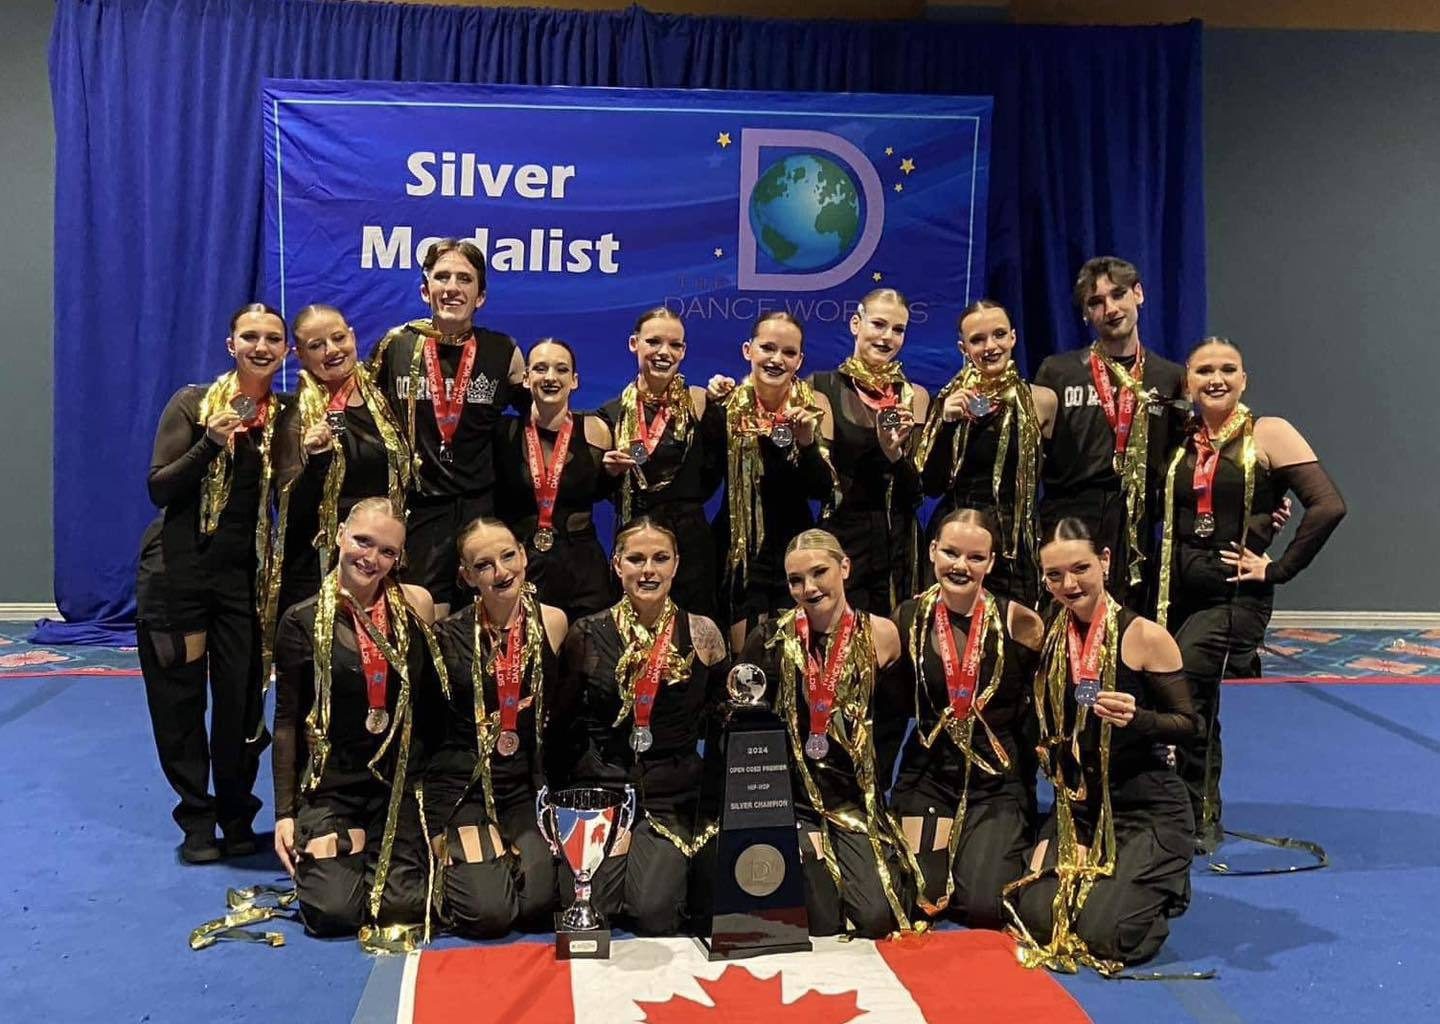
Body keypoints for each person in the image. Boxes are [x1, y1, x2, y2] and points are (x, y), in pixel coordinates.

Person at [1155, 337, 1346, 852]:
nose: (1216, 378)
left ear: (1244, 380)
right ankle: (1185, 807)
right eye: (1204, 370)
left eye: (1228, 369)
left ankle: (1200, 819)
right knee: (1193, 699)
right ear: (1188, 381)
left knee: (1187, 686)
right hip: (1176, 593)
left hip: (1234, 598)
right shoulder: (1183, 437)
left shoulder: (1268, 432)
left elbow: (1328, 505)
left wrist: (1277, 569)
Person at [1006, 518, 1201, 970]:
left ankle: (1163, 880)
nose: (1069, 585)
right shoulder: (1048, 637)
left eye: (1081, 569)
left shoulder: (1145, 636)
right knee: (1036, 915)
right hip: (1080, 809)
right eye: (1055, 575)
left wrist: (1141, 719)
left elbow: (1189, 725)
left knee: (1105, 935)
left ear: (1105, 562)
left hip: (1144, 807)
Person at [136, 303, 288, 863]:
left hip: (241, 580)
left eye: (273, 338)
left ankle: (236, 812)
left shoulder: (287, 416)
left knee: (241, 703)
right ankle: (197, 818)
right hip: (177, 572)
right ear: (232, 345)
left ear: (286, 351)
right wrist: (210, 444)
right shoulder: (194, 403)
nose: (261, 346)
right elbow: (159, 487)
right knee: (179, 703)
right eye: (250, 336)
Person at [272, 499, 443, 943]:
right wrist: (284, 814)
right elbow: (287, 721)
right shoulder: (302, 620)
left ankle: (368, 844)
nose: (371, 559)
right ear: (339, 535)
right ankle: (347, 845)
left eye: (387, 551)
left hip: (396, 784)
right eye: (362, 542)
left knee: (403, 908)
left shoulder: (414, 612)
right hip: (333, 785)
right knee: (333, 912)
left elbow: (428, 707)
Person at [551, 517, 729, 934]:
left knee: (653, 914)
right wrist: (563, 807)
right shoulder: (586, 634)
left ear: (676, 564)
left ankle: (673, 868)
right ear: (617, 565)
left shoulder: (703, 634)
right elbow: (561, 725)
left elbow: (723, 721)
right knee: (592, 908)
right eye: (636, 559)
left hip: (673, 795)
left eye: (660, 558)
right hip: (604, 788)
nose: (648, 570)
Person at [740, 529, 912, 938]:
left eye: (819, 572)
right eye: (796, 580)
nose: (809, 588)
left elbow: (892, 724)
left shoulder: (882, 636)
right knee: (819, 920)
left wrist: (875, 795)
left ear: (844, 568)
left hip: (853, 800)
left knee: (876, 916)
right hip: (792, 800)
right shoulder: (769, 640)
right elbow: (748, 735)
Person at [890, 509, 1044, 927]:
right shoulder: (907, 618)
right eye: (951, 553)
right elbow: (889, 709)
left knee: (985, 905)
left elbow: (1032, 718)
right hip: (929, 776)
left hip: (995, 783)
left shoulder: (1021, 623)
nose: (961, 566)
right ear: (932, 551)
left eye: (975, 557)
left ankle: (992, 845)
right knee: (918, 897)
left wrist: (1025, 796)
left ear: (991, 563)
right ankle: (955, 853)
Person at [368, 238, 526, 617]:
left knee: (485, 619)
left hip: (480, 508)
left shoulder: (504, 351)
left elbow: (542, 420)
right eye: (442, 277)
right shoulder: (395, 346)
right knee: (424, 619)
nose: (452, 287)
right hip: (420, 510)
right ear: (426, 290)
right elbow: (362, 413)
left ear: (480, 296)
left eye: (464, 279)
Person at [430, 518, 568, 937]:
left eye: (508, 556)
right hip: (467, 788)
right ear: (467, 576)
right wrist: (434, 823)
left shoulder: (554, 623)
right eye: (484, 565)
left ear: (524, 556)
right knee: (490, 914)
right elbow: (431, 731)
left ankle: (502, 853)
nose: (501, 571)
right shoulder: (447, 636)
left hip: (522, 790)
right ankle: (467, 858)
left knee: (538, 904)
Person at [1035, 258, 1185, 609]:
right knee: (1065, 619)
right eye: (1096, 302)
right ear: (1086, 314)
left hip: (1134, 523)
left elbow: (1188, 460)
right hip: (1069, 515)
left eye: (1118, 295)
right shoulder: (1058, 371)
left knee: (1128, 620)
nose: (1111, 309)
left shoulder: (1170, 377)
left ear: (1138, 294)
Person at [915, 300, 1057, 606]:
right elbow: (931, 486)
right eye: (978, 339)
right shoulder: (948, 401)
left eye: (999, 334)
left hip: (1015, 546)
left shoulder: (1042, 401)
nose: (990, 346)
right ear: (963, 348)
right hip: (958, 540)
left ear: (1013, 338)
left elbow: (1056, 480)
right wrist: (947, 425)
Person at [273, 304, 409, 618]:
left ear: (352, 336)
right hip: (320, 565)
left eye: (338, 338)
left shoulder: (385, 400)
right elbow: (290, 510)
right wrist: (318, 462)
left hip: (381, 561)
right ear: (299, 355)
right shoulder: (295, 417)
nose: (332, 350)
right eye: (316, 345)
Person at [712, 312, 835, 648]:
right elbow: (705, 479)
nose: (777, 359)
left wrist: (807, 443)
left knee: (795, 653)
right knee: (745, 657)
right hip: (739, 550)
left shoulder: (815, 406)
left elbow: (823, 489)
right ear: (748, 350)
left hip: (795, 548)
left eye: (789, 352)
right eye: (768, 348)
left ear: (800, 361)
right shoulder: (726, 406)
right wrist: (712, 406)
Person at [599, 308, 726, 620]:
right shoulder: (611, 414)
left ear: (684, 351)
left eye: (675, 345)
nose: (664, 352)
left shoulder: (699, 404)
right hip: (635, 538)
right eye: (654, 342)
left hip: (690, 544)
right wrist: (609, 474)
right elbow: (600, 489)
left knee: (693, 630)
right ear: (634, 344)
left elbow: (715, 470)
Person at [809, 290, 928, 612]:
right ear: (855, 324)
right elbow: (816, 481)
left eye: (898, 329)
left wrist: (894, 455)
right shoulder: (820, 387)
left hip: (899, 542)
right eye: (878, 324)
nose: (887, 337)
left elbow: (919, 490)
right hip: (843, 536)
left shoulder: (914, 396)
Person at [494, 339, 618, 621]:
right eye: (540, 368)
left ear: (574, 380)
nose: (550, 377)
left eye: (561, 370)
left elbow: (639, 457)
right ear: (526, 379)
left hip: (584, 570)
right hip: (523, 566)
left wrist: (612, 474)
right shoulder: (502, 433)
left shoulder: (597, 430)